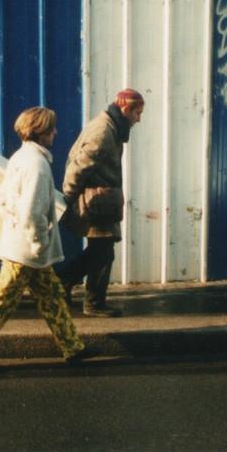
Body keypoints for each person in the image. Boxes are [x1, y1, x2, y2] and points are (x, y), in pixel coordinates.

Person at [0, 107, 89, 375]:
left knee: (52, 295)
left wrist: (16, 225)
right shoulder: (37, 165)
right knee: (0, 302)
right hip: (27, 251)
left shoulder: (21, 157)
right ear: (40, 132)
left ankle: (74, 348)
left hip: (22, 245)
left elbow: (3, 199)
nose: (56, 132)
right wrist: (38, 243)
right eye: (52, 128)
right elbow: (32, 212)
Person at [56, 88, 145, 318]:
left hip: (101, 200)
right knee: (103, 252)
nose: (139, 119)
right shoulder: (104, 131)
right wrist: (68, 196)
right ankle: (86, 298)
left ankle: (70, 287)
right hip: (96, 202)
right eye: (137, 113)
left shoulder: (111, 126)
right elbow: (78, 166)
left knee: (101, 251)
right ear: (126, 109)